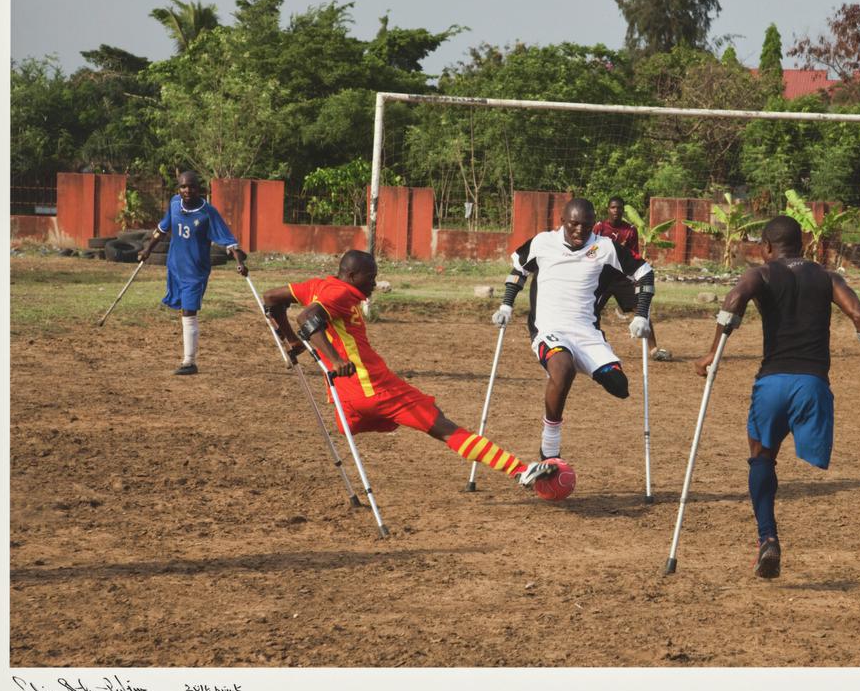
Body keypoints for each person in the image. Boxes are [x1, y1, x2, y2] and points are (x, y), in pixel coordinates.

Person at [694, 215, 860, 579]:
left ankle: (767, 538)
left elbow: (734, 299)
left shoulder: (761, 274)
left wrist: (713, 352)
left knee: (761, 457)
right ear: (802, 245)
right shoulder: (826, 277)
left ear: (766, 248)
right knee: (780, 452)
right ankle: (769, 539)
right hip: (813, 386)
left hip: (773, 384)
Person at [261, 250, 555, 490]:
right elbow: (308, 318)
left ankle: (362, 416)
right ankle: (519, 470)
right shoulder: (341, 294)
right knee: (442, 426)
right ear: (351, 276)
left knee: (355, 425)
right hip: (375, 387)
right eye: (370, 277)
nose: (375, 283)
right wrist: (335, 359)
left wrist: (288, 339)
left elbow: (272, 300)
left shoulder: (318, 285)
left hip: (346, 396)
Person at [492, 198, 656, 462]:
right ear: (562, 221)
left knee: (619, 387)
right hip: (548, 329)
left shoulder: (605, 248)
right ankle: (550, 448)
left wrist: (641, 315)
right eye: (574, 224)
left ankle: (579, 362)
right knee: (563, 368)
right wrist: (506, 306)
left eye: (587, 225)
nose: (580, 230)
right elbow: (518, 270)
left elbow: (645, 274)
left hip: (586, 333)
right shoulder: (543, 243)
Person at [138, 171, 248, 375]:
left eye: (191, 187)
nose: (187, 190)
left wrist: (239, 262)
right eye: (182, 187)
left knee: (189, 311)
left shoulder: (208, 213)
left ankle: (189, 362)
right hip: (175, 267)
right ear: (178, 188)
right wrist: (148, 249)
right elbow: (162, 229)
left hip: (195, 272)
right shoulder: (174, 204)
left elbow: (229, 240)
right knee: (182, 310)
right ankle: (188, 359)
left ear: (200, 189)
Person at [593, 196, 672, 362]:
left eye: (619, 208)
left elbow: (633, 253)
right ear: (608, 209)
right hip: (601, 277)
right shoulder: (599, 228)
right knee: (590, 311)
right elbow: (591, 249)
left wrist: (637, 275)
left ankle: (654, 349)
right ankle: (592, 346)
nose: (616, 210)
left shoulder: (630, 230)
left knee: (641, 307)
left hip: (622, 278)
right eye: (613, 207)